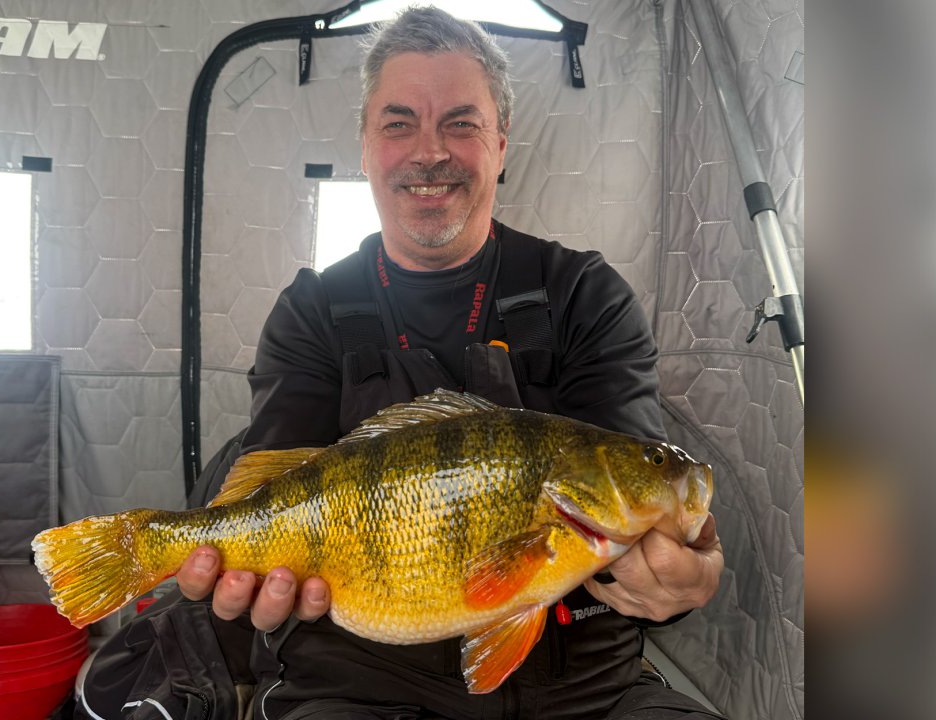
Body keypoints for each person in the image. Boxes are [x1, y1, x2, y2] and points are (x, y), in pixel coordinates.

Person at [175, 8, 724, 719]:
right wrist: (243, 581)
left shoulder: (584, 294)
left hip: (589, 691)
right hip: (359, 683)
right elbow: (269, 487)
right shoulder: (312, 311)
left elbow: (643, 519)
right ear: (366, 148)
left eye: (461, 123)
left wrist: (686, 575)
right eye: (398, 123)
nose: (427, 151)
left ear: (501, 145)